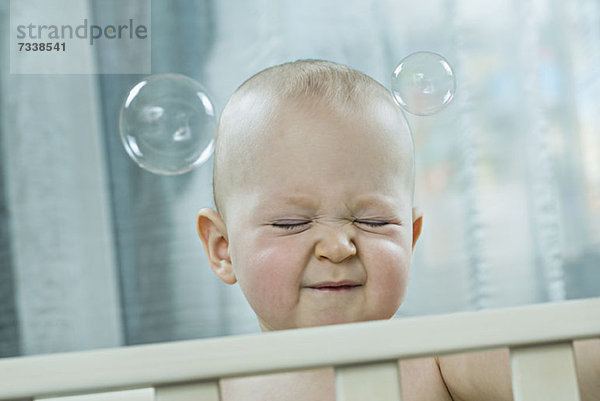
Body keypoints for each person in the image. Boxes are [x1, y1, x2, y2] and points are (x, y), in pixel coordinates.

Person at [196, 59, 599, 401]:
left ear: (412, 236)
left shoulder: (436, 360)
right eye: (291, 223)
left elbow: (561, 369)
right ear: (223, 248)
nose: (338, 247)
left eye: (373, 222)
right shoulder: (210, 388)